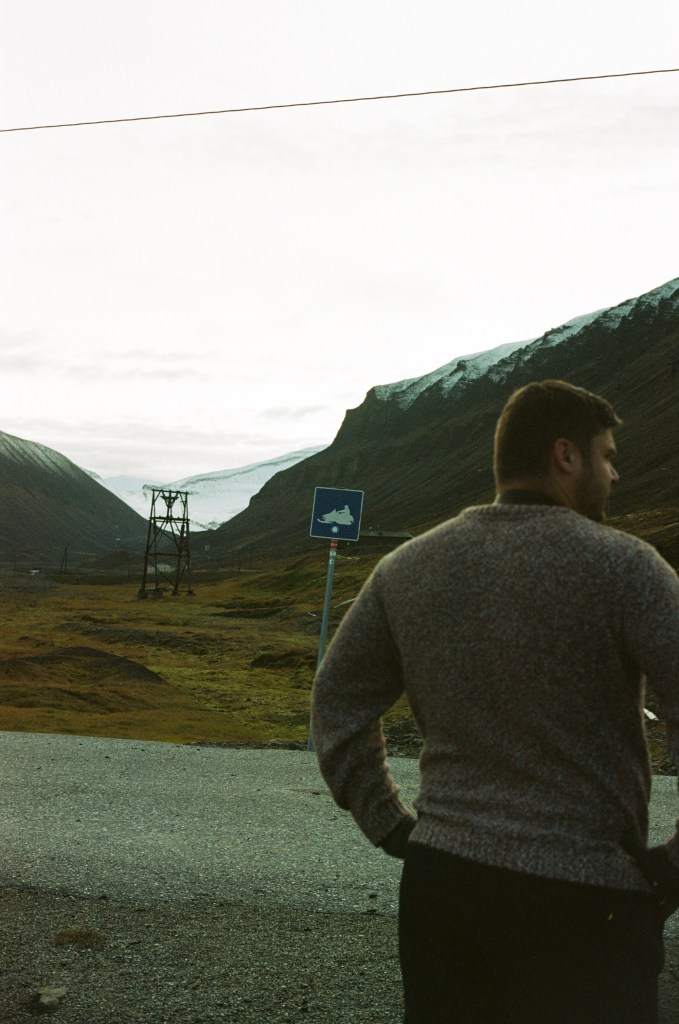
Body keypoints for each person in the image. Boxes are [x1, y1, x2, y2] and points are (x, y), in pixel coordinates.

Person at [311, 379, 679, 1024]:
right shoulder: (627, 566)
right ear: (566, 456)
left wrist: (394, 825)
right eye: (608, 455)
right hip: (589, 897)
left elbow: (337, 701)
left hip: (444, 889)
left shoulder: (406, 567)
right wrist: (675, 866)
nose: (616, 475)